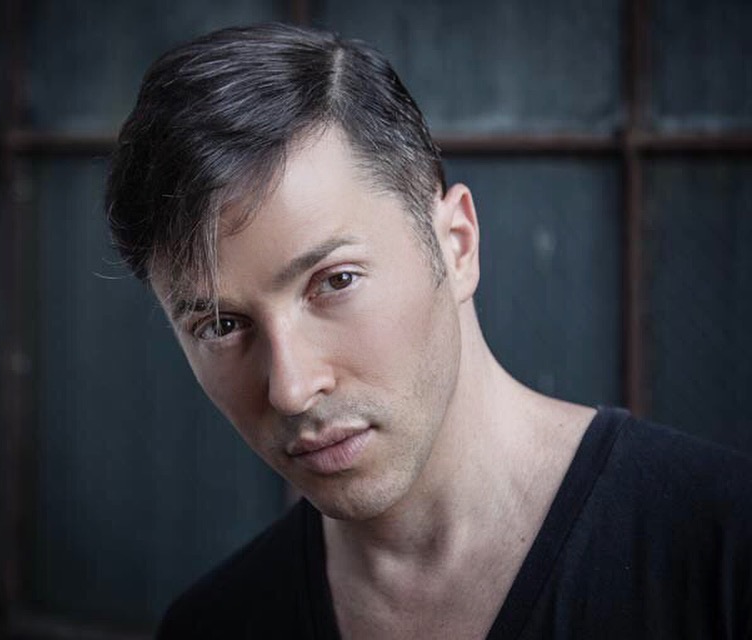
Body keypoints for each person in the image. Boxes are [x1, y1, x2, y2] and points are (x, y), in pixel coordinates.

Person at [105, 23, 752, 639]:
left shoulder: (725, 550)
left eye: (335, 281)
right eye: (221, 325)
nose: (292, 389)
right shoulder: (211, 627)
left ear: (457, 245)